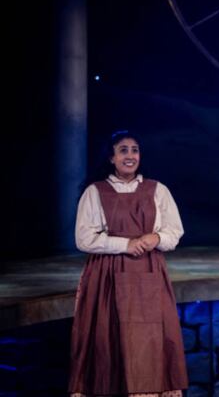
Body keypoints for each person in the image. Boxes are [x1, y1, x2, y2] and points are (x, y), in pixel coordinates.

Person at [69, 130, 188, 397]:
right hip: (107, 277)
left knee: (150, 337)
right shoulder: (95, 191)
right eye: (123, 150)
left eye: (134, 150)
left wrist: (155, 236)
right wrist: (125, 244)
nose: (130, 155)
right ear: (111, 157)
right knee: (107, 336)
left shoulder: (157, 189)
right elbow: (84, 238)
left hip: (148, 273)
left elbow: (174, 232)